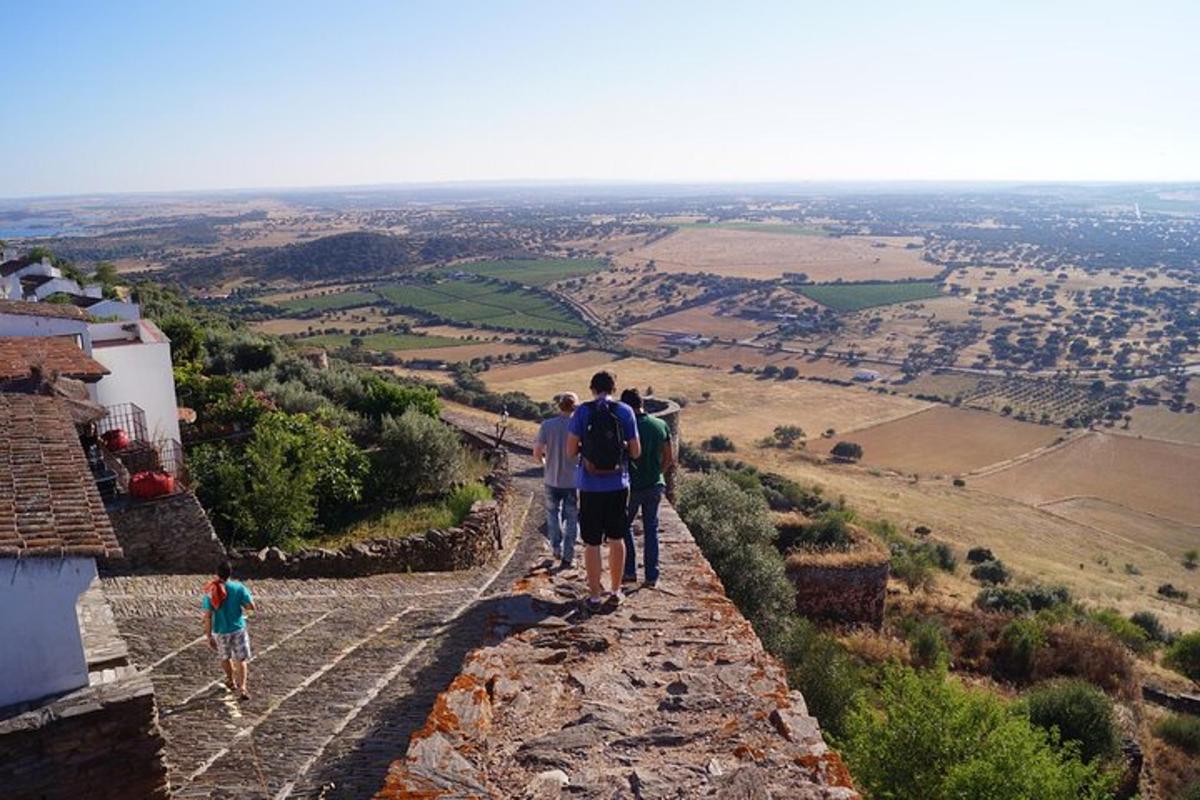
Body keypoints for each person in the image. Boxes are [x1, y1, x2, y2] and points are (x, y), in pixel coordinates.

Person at [567, 370, 640, 611]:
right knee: (617, 538)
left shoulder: (582, 412)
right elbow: (636, 451)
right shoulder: (625, 411)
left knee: (592, 542)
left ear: (592, 389)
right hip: (619, 485)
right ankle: (616, 591)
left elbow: (569, 451)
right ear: (613, 388)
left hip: (589, 485)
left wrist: (586, 451)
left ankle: (595, 595)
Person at [619, 388, 673, 587]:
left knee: (624, 527)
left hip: (630, 487)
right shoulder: (660, 425)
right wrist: (657, 472)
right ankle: (652, 576)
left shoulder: (625, 428)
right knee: (651, 529)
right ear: (642, 403)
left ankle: (630, 571)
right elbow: (669, 458)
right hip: (654, 485)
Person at [533, 391, 579, 570]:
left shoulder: (547, 425)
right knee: (572, 519)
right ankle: (568, 556)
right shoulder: (579, 426)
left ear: (559, 406)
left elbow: (537, 452)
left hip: (551, 479)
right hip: (573, 481)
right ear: (575, 406)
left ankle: (556, 548)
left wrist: (545, 463)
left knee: (553, 515)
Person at [202, 561, 256, 700]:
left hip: (220, 630)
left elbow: (208, 616)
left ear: (217, 573)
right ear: (230, 573)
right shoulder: (239, 587)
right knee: (241, 659)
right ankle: (243, 687)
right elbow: (251, 606)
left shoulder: (211, 591)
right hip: (238, 628)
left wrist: (208, 636)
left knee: (225, 657)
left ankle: (230, 680)